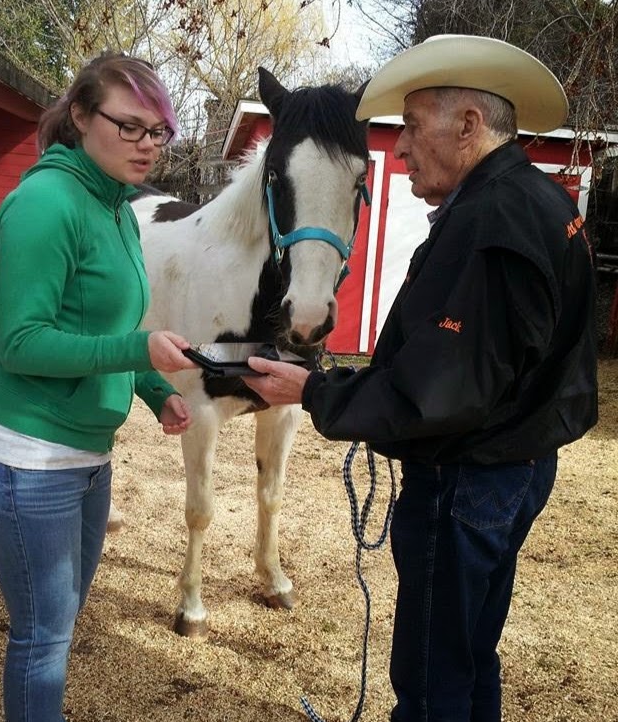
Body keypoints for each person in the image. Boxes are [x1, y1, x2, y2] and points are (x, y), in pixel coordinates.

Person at [243, 35, 598, 722]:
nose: (399, 149)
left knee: (432, 679)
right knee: (469, 655)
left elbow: (438, 392)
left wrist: (312, 392)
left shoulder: (488, 223)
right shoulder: (541, 202)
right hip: (516, 463)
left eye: (409, 126)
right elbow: (485, 362)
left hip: (467, 481)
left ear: (467, 125)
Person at [0, 51, 197, 722]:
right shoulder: (46, 201)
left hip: (86, 461)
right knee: (42, 638)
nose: (148, 145)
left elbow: (108, 321)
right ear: (83, 117)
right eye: (131, 127)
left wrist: (153, 388)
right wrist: (138, 348)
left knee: (55, 626)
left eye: (159, 132)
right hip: (24, 462)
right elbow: (21, 342)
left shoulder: (118, 206)